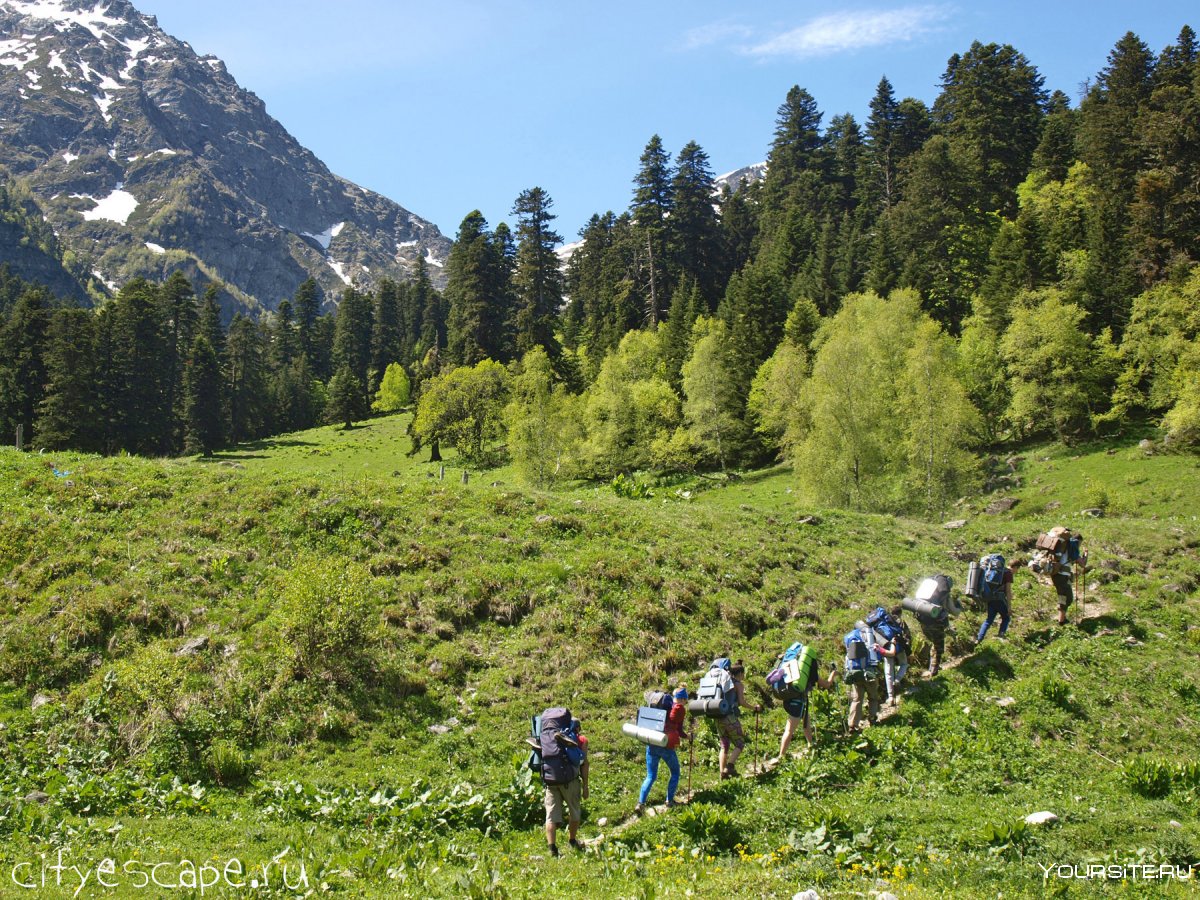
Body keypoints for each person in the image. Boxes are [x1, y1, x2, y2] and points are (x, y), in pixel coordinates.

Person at [635, 686, 687, 813]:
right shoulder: (676, 710)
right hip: (666, 745)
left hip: (652, 742)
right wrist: (688, 736)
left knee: (651, 776)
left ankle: (640, 803)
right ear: (682, 699)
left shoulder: (655, 711)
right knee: (675, 772)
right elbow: (679, 731)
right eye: (686, 700)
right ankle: (669, 801)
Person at [544, 717, 588, 857]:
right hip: (570, 781)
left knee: (551, 815)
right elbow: (583, 763)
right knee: (574, 811)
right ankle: (572, 841)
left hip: (551, 781)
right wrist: (585, 786)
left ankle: (552, 849)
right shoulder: (581, 740)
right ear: (578, 728)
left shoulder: (549, 739)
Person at [776, 661, 838, 761]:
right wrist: (833, 674)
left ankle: (810, 743)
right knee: (789, 730)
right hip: (798, 702)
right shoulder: (809, 673)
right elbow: (827, 685)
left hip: (788, 700)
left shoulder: (794, 668)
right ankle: (781, 756)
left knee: (806, 720)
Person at [717, 660, 760, 779]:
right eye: (743, 674)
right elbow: (741, 702)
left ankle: (722, 773)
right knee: (740, 743)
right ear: (740, 673)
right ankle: (729, 766)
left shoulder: (723, 681)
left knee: (724, 745)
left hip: (718, 716)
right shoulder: (738, 684)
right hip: (730, 717)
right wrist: (754, 708)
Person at [844, 625, 882, 733]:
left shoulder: (849, 638)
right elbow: (875, 655)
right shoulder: (868, 636)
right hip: (869, 672)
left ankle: (852, 725)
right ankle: (873, 718)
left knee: (857, 699)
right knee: (873, 697)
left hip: (855, 673)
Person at [976, 558, 1018, 643]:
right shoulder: (1008, 573)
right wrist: (1009, 607)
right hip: (1000, 599)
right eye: (1017, 569)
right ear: (1015, 567)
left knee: (989, 620)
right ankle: (1001, 635)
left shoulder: (997, 571)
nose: (1016, 571)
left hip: (990, 598)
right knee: (1006, 617)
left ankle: (979, 638)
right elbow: (1008, 591)